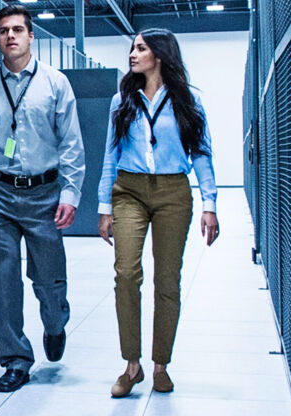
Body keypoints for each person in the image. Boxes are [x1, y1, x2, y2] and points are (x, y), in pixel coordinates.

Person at [0, 5, 85, 393]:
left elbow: (71, 144)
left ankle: (55, 321)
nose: (10, 36)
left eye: (17, 29)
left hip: (45, 194)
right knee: (1, 281)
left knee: (48, 279)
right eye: (2, 31)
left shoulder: (55, 83)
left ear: (32, 37)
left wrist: (70, 192)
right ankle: (15, 359)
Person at [97, 28, 219, 398]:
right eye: (132, 49)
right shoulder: (122, 100)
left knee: (167, 280)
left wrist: (210, 205)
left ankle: (160, 365)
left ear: (160, 55)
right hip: (128, 190)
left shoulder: (188, 101)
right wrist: (105, 207)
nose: (133, 55)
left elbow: (202, 153)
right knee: (126, 273)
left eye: (140, 48)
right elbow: (109, 156)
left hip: (173, 193)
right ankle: (131, 365)